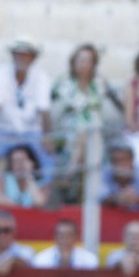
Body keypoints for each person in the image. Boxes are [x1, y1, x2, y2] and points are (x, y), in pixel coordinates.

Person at [0, 35, 52, 204]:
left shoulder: (41, 76)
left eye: (25, 54)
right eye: (18, 53)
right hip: (3, 130)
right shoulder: (1, 73)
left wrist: (47, 138)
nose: (21, 57)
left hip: (33, 132)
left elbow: (44, 110)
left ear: (33, 58)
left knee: (50, 160)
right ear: (12, 55)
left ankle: (46, 202)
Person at [52, 43, 120, 199]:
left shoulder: (98, 83)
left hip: (94, 134)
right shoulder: (64, 82)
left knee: (90, 135)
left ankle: (70, 174)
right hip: (69, 134)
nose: (84, 64)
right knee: (85, 134)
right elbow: (74, 105)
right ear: (74, 62)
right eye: (81, 60)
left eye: (88, 60)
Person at [101, 141, 139, 211]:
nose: (119, 164)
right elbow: (99, 199)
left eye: (122, 160)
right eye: (115, 160)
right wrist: (117, 198)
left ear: (131, 160)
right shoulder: (104, 173)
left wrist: (137, 200)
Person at [0, 145, 48, 209]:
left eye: (21, 160)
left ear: (32, 163)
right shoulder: (3, 180)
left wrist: (28, 176)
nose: (18, 165)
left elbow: (39, 203)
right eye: (14, 161)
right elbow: (0, 200)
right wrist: (21, 208)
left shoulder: (41, 184)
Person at [32, 219, 99, 269]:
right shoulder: (41, 258)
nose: (65, 238)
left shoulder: (89, 259)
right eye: (61, 235)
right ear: (55, 236)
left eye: (69, 234)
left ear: (76, 236)